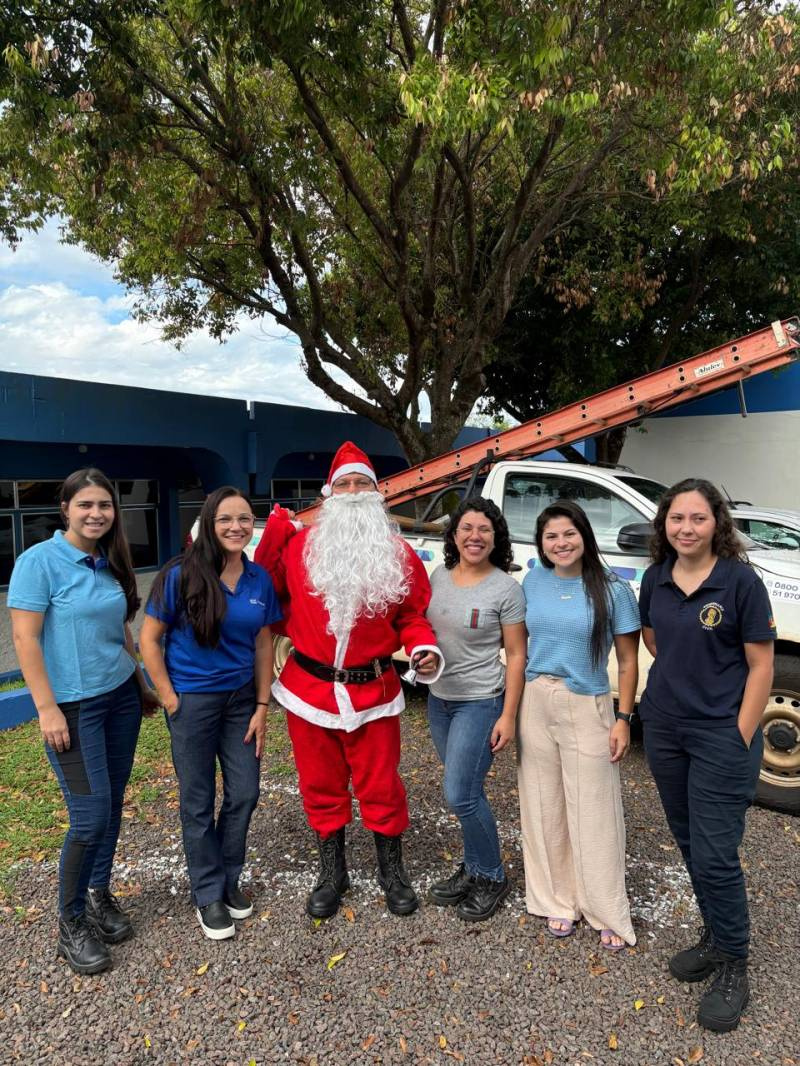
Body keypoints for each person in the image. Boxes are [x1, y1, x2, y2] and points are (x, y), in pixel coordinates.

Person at [254, 441, 443, 919]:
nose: (355, 491)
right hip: (309, 691)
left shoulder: (399, 555)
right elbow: (263, 590)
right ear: (329, 494)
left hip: (374, 691)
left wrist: (423, 648)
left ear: (377, 494)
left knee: (381, 784)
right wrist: (276, 531)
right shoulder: (299, 549)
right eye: (345, 484)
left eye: (363, 483)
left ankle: (391, 872)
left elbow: (412, 615)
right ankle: (332, 873)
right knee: (320, 783)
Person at [8, 468, 160, 975]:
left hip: (120, 698)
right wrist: (46, 708)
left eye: (105, 505)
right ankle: (70, 923)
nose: (96, 514)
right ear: (65, 509)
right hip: (73, 708)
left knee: (111, 804)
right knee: (89, 816)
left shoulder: (109, 560)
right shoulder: (38, 562)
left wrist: (140, 683)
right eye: (86, 505)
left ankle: (98, 894)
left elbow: (121, 629)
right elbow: (26, 639)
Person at [638, 478, 774, 1033]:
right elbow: (654, 640)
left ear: (717, 523)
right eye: (677, 518)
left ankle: (735, 964)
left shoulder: (740, 582)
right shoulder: (655, 577)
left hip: (721, 735)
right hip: (666, 729)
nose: (686, 528)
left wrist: (740, 732)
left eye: (698, 518)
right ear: (664, 524)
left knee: (716, 855)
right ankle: (716, 936)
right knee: (690, 841)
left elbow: (761, 666)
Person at [140, 487, 281, 941]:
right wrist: (169, 697)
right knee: (197, 801)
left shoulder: (258, 579)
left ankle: (227, 878)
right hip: (193, 701)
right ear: (209, 523)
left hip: (241, 702)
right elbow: (149, 639)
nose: (236, 527)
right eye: (225, 519)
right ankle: (208, 893)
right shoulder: (180, 575)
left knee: (245, 792)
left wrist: (262, 705)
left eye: (245, 519)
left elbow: (263, 643)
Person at [518, 500, 640, 950]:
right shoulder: (533, 581)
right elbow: (518, 645)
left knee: (594, 809)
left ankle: (605, 908)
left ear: (584, 535)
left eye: (569, 533)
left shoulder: (612, 588)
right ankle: (556, 899)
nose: (561, 543)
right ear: (541, 543)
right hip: (535, 699)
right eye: (551, 536)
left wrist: (623, 718)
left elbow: (628, 661)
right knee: (543, 804)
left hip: (587, 702)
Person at [425, 497, 526, 921]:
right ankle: (472, 867)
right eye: (466, 528)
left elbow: (517, 655)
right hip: (439, 699)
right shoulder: (438, 577)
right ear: (453, 535)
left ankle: (492, 875)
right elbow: (426, 633)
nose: (475, 536)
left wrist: (508, 716)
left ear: (496, 538)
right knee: (466, 791)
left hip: (481, 702)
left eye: (484, 529)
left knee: (460, 794)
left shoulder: (506, 589)